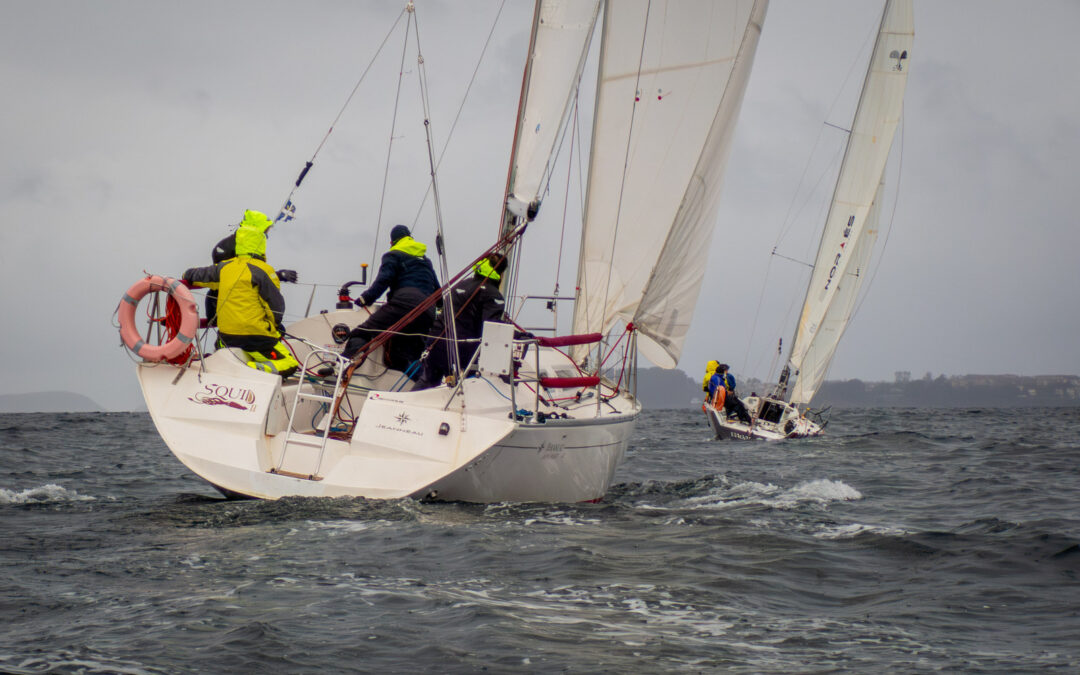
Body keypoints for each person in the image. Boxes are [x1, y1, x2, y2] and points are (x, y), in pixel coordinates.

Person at [183, 209, 299, 376]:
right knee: (289, 364)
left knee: (223, 347)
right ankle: (253, 370)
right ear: (260, 242)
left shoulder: (224, 267)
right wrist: (273, 328)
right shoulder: (265, 271)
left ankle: (223, 363)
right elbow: (275, 307)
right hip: (257, 338)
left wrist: (187, 275)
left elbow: (191, 275)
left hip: (226, 338)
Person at [340, 225, 439, 374]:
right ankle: (421, 386)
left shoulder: (393, 255)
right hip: (427, 313)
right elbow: (438, 292)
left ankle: (340, 367)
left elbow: (383, 280)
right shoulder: (425, 261)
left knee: (362, 332)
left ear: (392, 242)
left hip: (403, 305)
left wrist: (365, 298)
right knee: (402, 357)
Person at [416, 255, 512, 389]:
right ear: (501, 274)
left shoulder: (461, 284)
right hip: (461, 349)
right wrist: (517, 335)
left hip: (436, 340)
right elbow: (492, 327)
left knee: (428, 381)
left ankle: (402, 404)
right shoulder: (493, 294)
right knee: (475, 383)